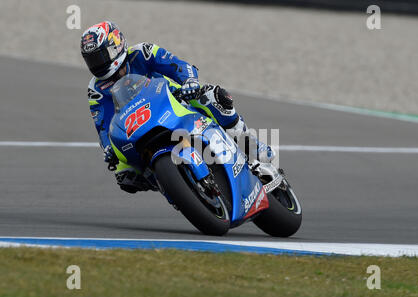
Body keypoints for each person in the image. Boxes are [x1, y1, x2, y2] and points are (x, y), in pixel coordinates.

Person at [81, 21, 275, 193]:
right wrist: (108, 148)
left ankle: (253, 149)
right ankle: (178, 186)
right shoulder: (96, 89)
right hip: (137, 128)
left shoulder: (143, 52)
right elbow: (104, 126)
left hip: (174, 101)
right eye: (91, 60)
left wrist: (189, 81)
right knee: (124, 175)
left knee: (212, 96)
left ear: (116, 46)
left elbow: (177, 65)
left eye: (100, 56)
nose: (96, 64)